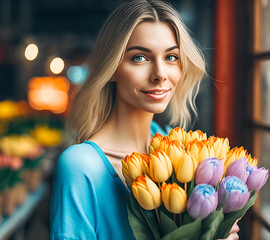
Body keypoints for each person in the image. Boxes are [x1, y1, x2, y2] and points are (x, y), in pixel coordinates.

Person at [50, 0, 239, 239]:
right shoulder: (81, 167)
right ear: (112, 68)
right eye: (140, 58)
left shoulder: (175, 147)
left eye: (171, 57)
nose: (160, 74)